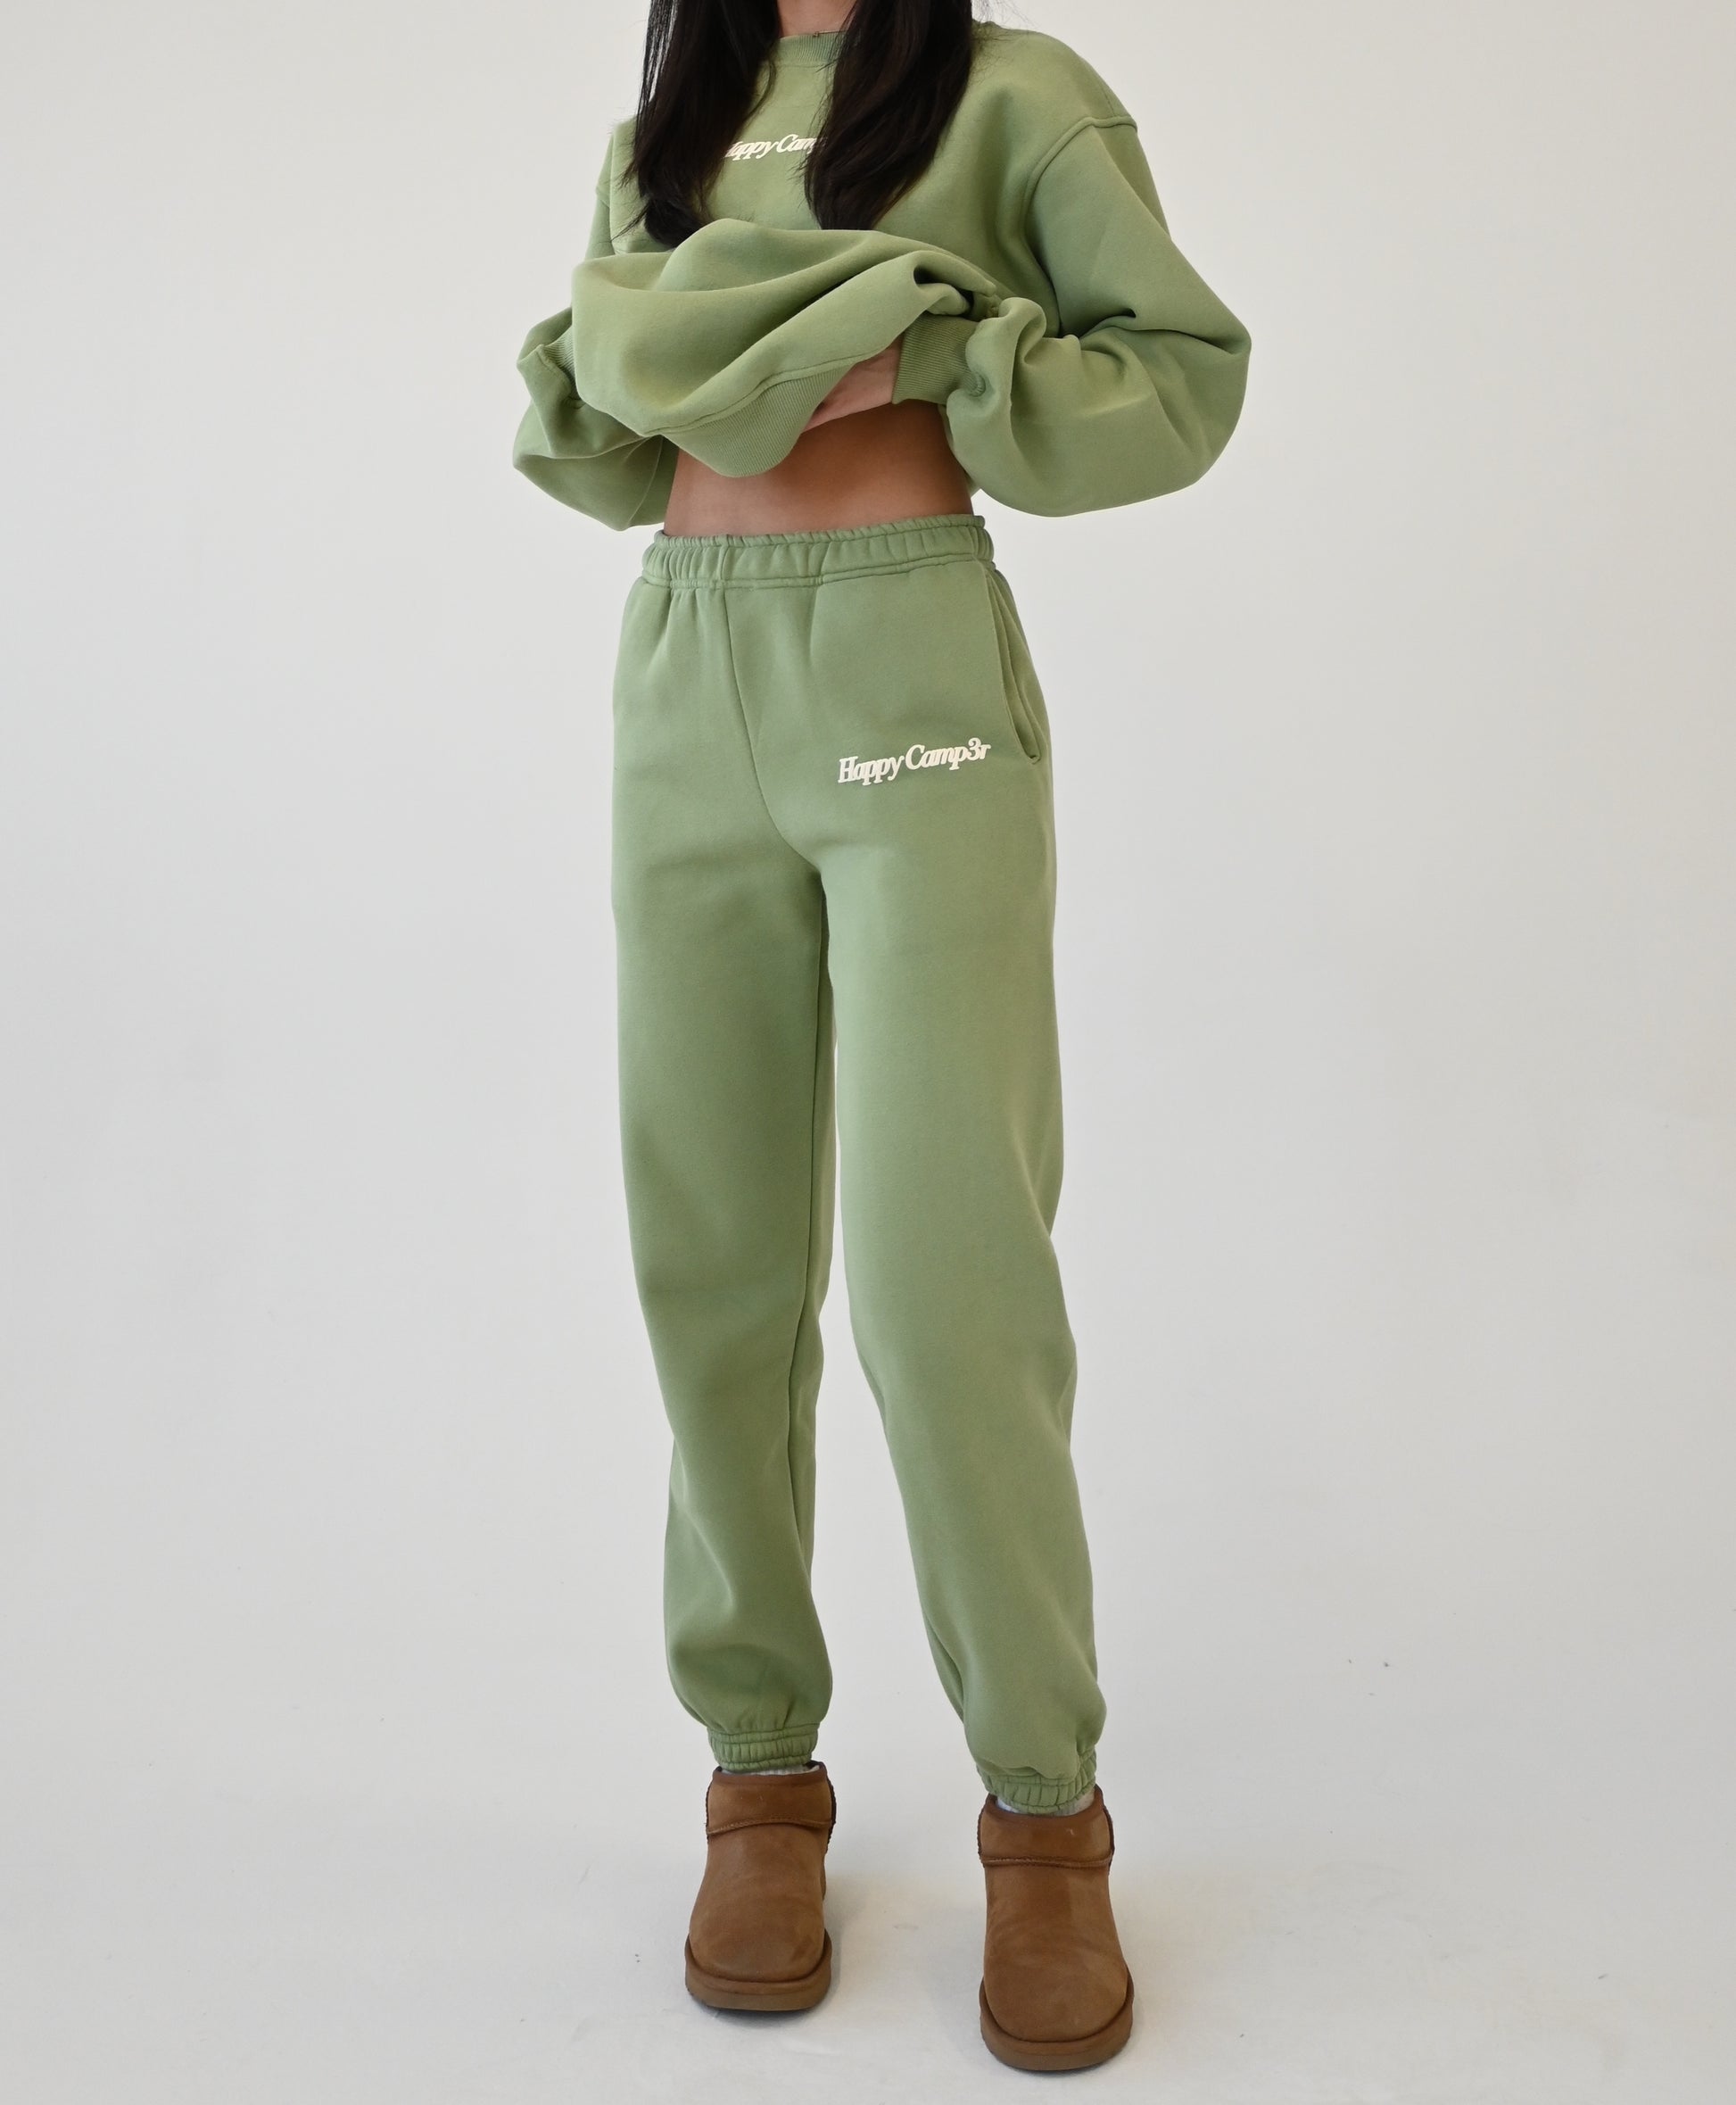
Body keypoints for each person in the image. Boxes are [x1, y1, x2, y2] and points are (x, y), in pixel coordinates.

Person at [512, 0, 1249, 2071]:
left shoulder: (1016, 96)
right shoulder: (668, 126)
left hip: (910, 664)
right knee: (714, 1265)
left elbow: (1182, 378)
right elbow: (592, 438)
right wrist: (654, 357)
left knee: (946, 1287)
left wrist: (930, 356)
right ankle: (759, 1778)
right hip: (684, 679)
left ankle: (1042, 1813)